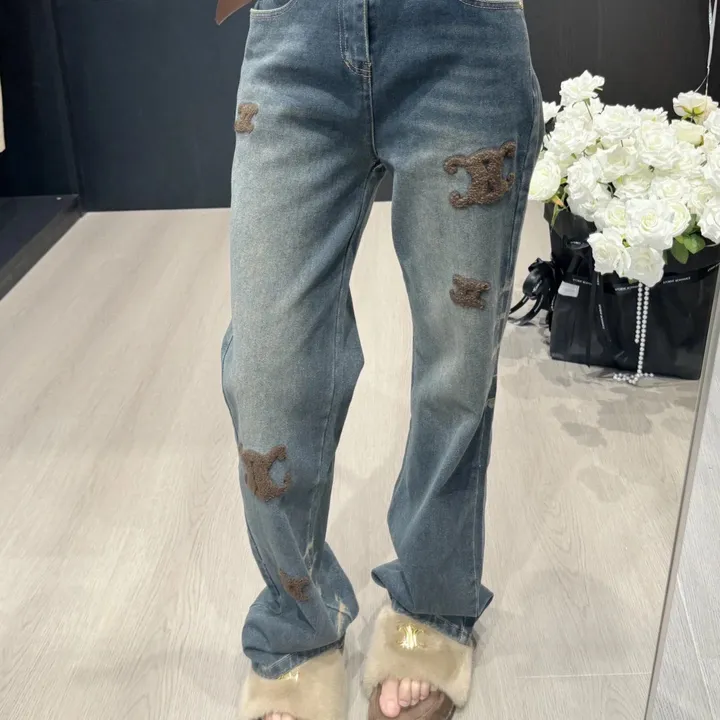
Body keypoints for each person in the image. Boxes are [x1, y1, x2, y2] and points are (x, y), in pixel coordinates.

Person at [218, 0, 542, 717]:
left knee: (456, 367)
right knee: (267, 369)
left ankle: (432, 602)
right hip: (295, 37)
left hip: (463, 36)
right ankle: (298, 622)